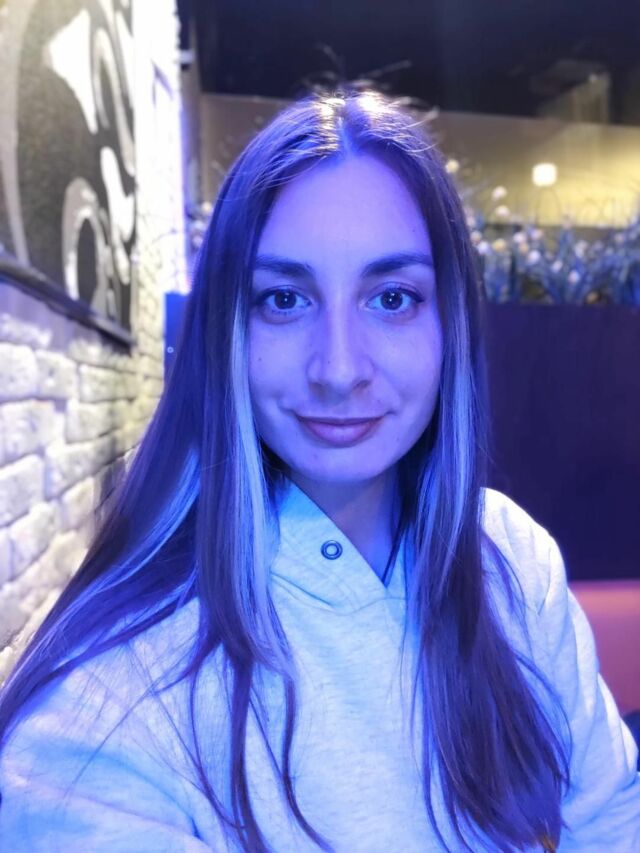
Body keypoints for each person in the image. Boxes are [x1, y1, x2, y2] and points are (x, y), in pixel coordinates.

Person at [0, 87, 639, 853]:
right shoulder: (105, 713)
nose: (339, 368)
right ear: (225, 329)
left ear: (451, 324)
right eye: (284, 299)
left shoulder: (510, 557)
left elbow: (611, 815)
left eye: (392, 297)